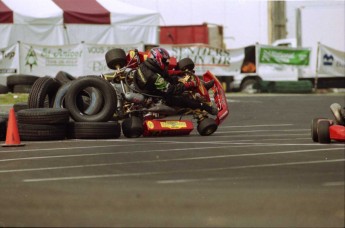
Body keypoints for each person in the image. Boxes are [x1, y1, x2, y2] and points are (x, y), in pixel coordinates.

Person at [133, 47, 218, 115]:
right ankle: (204, 106)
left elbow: (164, 73)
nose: (166, 63)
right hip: (153, 93)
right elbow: (172, 90)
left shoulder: (147, 65)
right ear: (156, 59)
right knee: (180, 98)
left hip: (150, 85)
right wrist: (188, 85)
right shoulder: (153, 77)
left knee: (176, 76)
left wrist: (180, 73)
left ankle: (202, 85)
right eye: (164, 60)